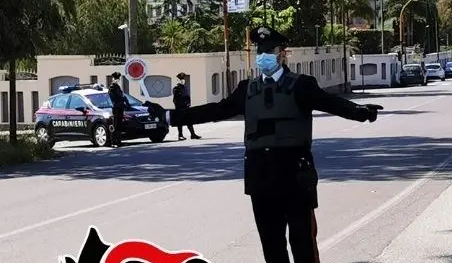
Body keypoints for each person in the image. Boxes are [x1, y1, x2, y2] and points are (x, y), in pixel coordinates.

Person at [143, 26, 383, 263]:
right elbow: (216, 110)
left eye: (269, 51)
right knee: (271, 244)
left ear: (282, 54)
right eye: (260, 52)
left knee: (302, 243)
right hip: (261, 177)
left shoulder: (301, 85)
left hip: (295, 175)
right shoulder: (247, 89)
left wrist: (359, 111)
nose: (263, 56)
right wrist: (170, 116)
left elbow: (330, 102)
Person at [171, 73, 200, 141]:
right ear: (178, 80)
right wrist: (178, 107)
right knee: (180, 122)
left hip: (186, 107)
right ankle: (180, 135)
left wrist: (188, 104)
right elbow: (175, 99)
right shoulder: (176, 88)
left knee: (189, 121)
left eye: (183, 79)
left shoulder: (185, 88)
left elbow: (187, 97)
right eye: (181, 79)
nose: (183, 80)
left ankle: (193, 134)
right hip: (180, 108)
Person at [106, 72, 128, 148]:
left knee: (119, 125)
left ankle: (118, 141)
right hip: (116, 107)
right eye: (116, 79)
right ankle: (112, 142)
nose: (117, 80)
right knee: (115, 125)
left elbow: (121, 95)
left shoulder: (117, 86)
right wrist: (122, 99)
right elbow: (114, 98)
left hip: (120, 107)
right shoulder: (112, 87)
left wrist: (125, 101)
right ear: (113, 79)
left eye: (118, 79)